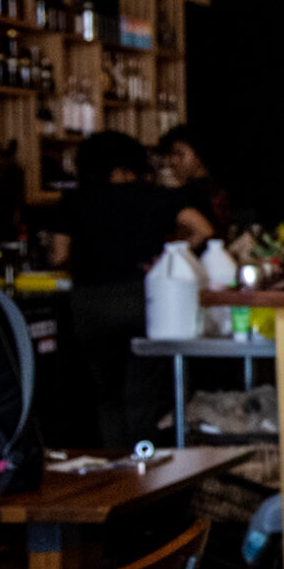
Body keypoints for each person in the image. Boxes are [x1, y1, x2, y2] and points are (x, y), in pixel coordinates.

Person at [53, 129, 181, 448]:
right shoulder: (154, 197)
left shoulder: (74, 201)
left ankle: (117, 472)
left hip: (91, 302)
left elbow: (59, 254)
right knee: (141, 393)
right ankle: (146, 472)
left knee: (106, 394)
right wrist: (170, 256)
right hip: (142, 299)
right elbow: (202, 228)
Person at [153, 123, 228, 244]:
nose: (173, 161)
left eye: (180, 154)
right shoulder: (214, 187)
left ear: (199, 156)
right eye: (171, 155)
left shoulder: (190, 193)